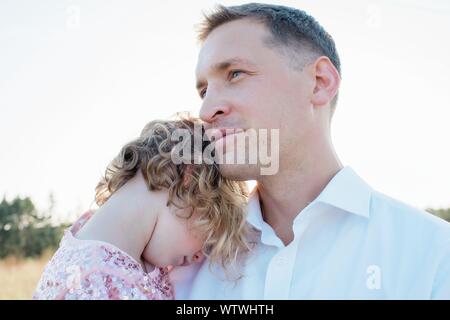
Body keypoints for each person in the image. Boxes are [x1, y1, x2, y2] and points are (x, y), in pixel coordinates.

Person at [170, 3, 450, 299]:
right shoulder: (185, 263)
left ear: (319, 83)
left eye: (235, 74)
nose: (206, 110)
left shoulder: (434, 255)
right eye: (204, 91)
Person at [33, 116, 250, 299]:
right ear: (190, 179)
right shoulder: (95, 282)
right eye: (211, 229)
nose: (200, 255)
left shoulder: (91, 235)